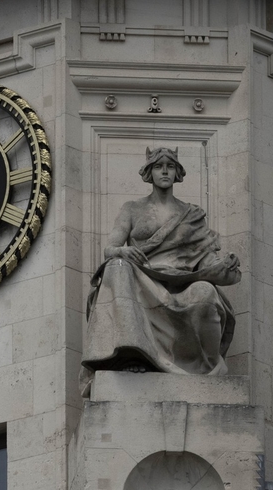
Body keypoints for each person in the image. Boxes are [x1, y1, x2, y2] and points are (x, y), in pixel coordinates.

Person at [81, 147, 240, 393]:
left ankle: (209, 368)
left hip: (182, 282)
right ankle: (133, 354)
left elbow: (206, 261)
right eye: (158, 166)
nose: (164, 171)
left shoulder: (192, 215)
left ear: (178, 172)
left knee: (206, 292)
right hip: (143, 280)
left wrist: (224, 266)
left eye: (170, 166)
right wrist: (123, 252)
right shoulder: (132, 209)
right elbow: (110, 248)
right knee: (117, 267)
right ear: (148, 173)